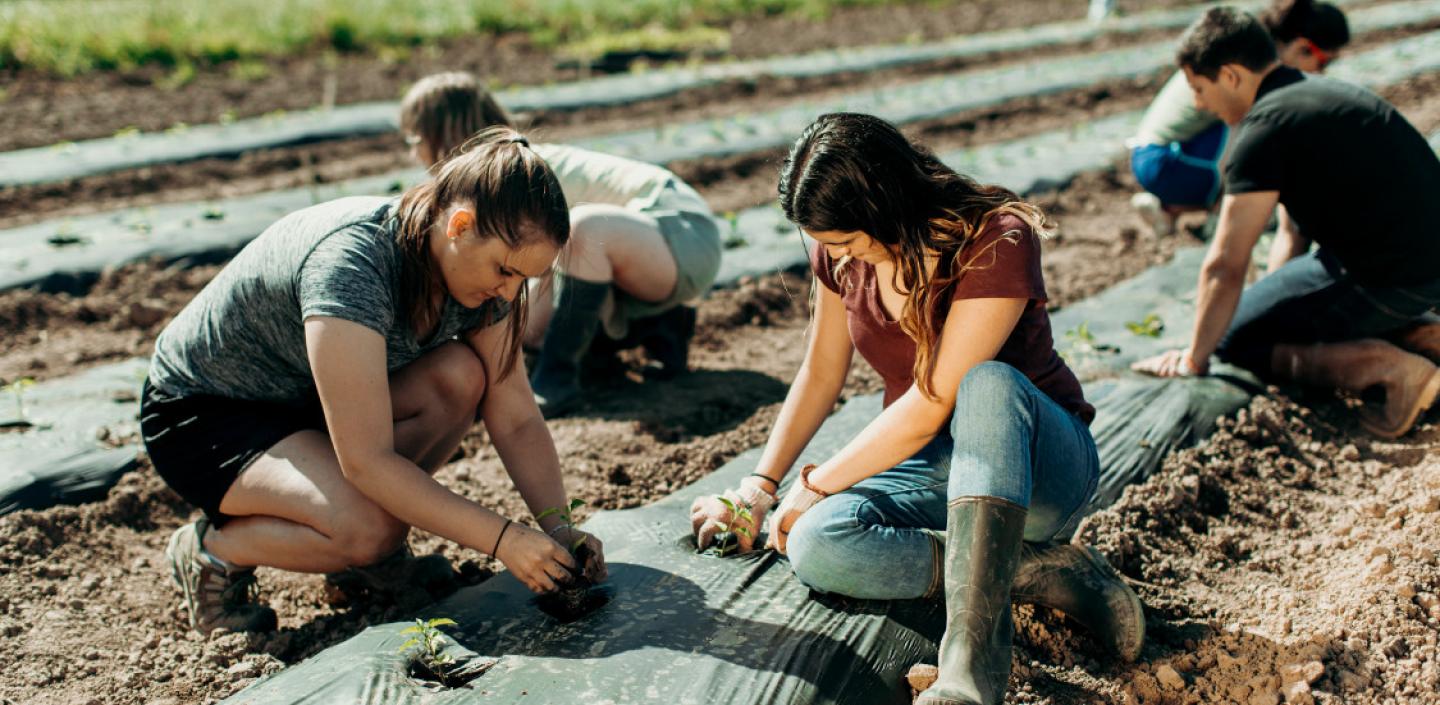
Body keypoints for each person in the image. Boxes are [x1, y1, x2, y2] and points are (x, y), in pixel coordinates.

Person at [691, 113, 1144, 705]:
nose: (837, 257)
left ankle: (968, 675)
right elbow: (821, 373)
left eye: (847, 241)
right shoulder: (843, 256)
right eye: (828, 245)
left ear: (885, 204)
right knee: (815, 543)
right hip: (938, 464)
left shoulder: (995, 239)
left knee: (986, 384)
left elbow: (933, 402)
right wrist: (760, 485)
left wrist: (817, 482)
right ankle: (1047, 574)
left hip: (1037, 466)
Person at [144, 127, 607, 634]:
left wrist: (559, 528)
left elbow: (515, 414)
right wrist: (503, 540)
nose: (508, 291)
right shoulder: (353, 266)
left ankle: (366, 558)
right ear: (459, 225)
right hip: (207, 415)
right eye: (504, 270)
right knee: (371, 526)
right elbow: (365, 461)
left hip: (305, 401)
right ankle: (213, 551)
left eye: (524, 278)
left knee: (459, 377)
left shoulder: (485, 283)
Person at [1133, 7, 1440, 439]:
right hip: (1423, 267)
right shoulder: (1313, 96)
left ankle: (1393, 372)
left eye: (1199, 89)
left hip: (1391, 279)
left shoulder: (1263, 130)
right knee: (1266, 313)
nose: (1200, 104)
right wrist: (1274, 307)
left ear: (1231, 76)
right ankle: (1424, 333)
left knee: (1234, 338)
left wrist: (1195, 358)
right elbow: (1293, 234)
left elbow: (1225, 264)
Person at [400, 71, 723, 417]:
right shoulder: (488, 177)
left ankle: (558, 376)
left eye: (415, 139)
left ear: (440, 132)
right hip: (643, 254)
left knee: (584, 229)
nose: (414, 153)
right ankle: (660, 325)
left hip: (681, 230)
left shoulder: (511, 175)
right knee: (530, 330)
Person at [1128, 0, 1349, 247]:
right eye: (1323, 63)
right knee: (1261, 129)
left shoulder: (1248, 45)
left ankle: (1170, 208)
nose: (1322, 73)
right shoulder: (1255, 64)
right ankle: (1223, 216)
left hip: (1155, 156)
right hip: (1167, 161)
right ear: (1302, 47)